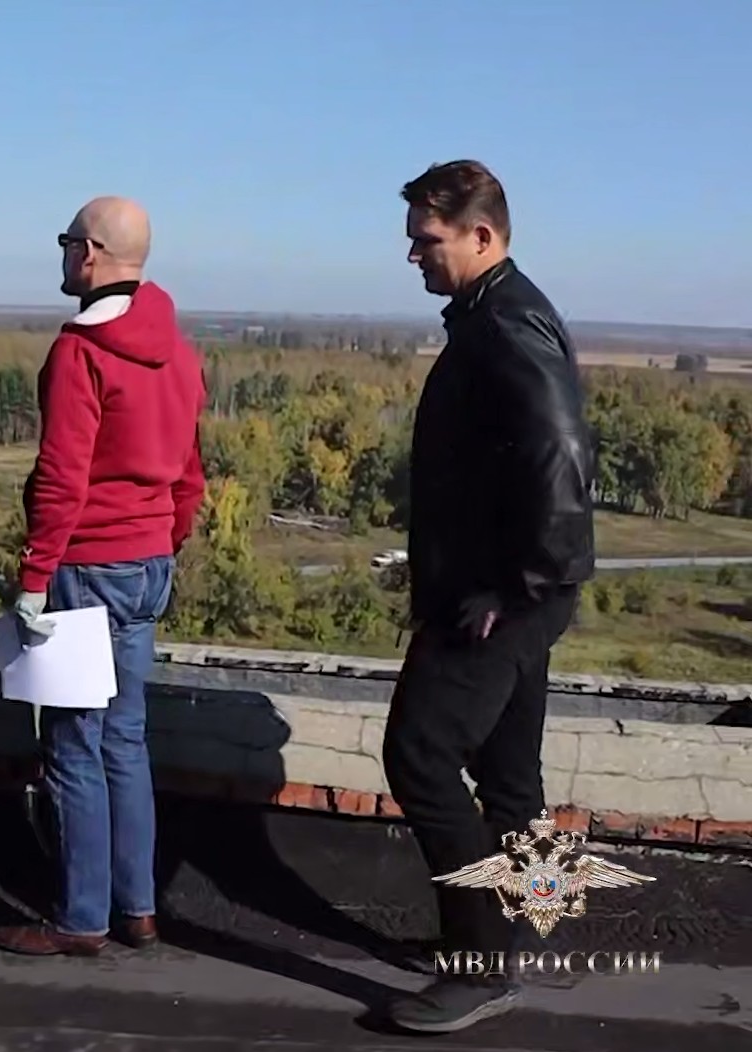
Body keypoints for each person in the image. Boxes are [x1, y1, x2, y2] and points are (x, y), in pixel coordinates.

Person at [380, 160, 595, 1034]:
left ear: (481, 235)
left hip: (499, 594)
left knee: (420, 758)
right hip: (519, 589)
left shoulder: (505, 324)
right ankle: (527, 926)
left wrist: (518, 583)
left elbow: (560, 455)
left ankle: (477, 966)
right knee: (509, 775)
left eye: (426, 241)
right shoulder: (498, 313)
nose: (413, 257)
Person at [0, 196, 205, 959]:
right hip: (147, 564)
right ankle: (138, 908)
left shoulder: (81, 351)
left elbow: (62, 475)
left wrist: (34, 576)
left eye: (66, 241)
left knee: (74, 745)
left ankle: (81, 920)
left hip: (85, 568)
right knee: (126, 741)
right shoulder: (178, 349)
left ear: (90, 253)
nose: (63, 253)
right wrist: (163, 541)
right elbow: (190, 473)